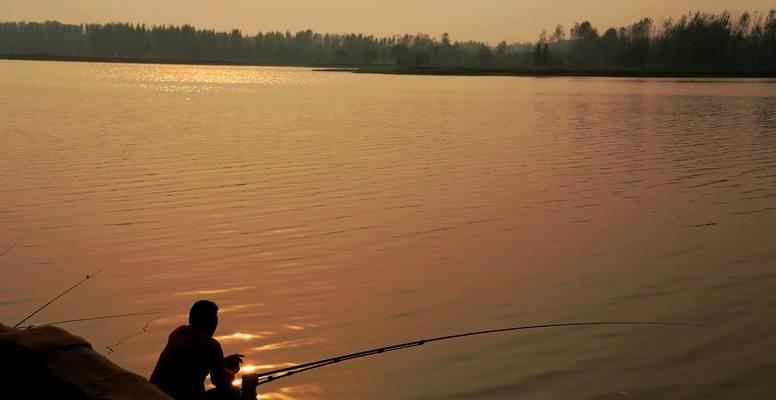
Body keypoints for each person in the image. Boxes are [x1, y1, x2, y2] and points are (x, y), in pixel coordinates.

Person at [151, 300, 244, 400]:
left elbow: (190, 361)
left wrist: (222, 361)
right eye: (215, 319)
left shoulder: (177, 334)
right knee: (233, 392)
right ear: (211, 322)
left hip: (153, 393)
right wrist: (232, 370)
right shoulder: (211, 345)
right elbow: (220, 381)